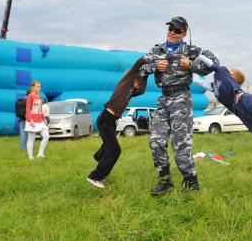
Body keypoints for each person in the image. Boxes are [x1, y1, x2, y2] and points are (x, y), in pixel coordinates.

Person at [138, 16, 219, 196]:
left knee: (180, 145)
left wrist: (191, 64)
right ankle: (165, 181)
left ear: (183, 34)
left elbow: (214, 63)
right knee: (155, 142)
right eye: (170, 29)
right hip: (164, 99)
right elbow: (139, 69)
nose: (172, 33)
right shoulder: (156, 50)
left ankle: (191, 182)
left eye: (176, 30)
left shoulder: (191, 50)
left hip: (181, 98)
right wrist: (153, 67)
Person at [87, 58, 148, 189]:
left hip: (111, 120)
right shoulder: (126, 83)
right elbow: (137, 64)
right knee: (115, 150)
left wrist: (146, 76)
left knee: (108, 144)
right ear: (133, 78)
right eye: (139, 81)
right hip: (105, 119)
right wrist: (148, 59)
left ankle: (98, 157)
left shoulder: (131, 91)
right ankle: (95, 176)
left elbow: (142, 91)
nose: (139, 85)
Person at [24, 81, 49, 160]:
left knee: (46, 136)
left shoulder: (40, 96)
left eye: (40, 86)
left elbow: (40, 109)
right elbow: (27, 109)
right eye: (37, 86)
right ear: (32, 87)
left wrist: (43, 118)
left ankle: (40, 153)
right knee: (31, 139)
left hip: (40, 120)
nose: (39, 88)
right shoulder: (30, 96)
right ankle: (30, 157)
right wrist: (30, 119)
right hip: (32, 121)